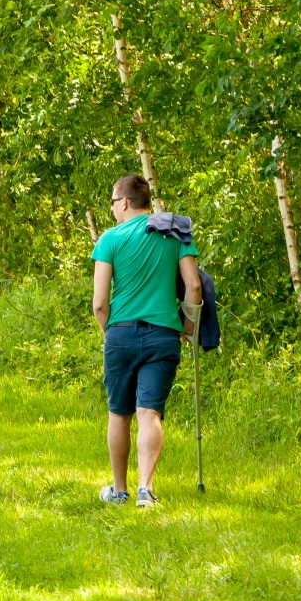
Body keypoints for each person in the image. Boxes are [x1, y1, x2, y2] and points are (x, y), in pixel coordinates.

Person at [92, 174, 202, 508]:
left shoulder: (110, 239)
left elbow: (99, 303)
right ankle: (146, 490)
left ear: (124, 202)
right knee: (149, 413)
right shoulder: (176, 234)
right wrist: (186, 328)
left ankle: (119, 491)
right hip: (163, 334)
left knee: (119, 413)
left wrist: (109, 333)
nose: (111, 209)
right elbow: (194, 287)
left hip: (121, 334)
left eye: (112, 202)